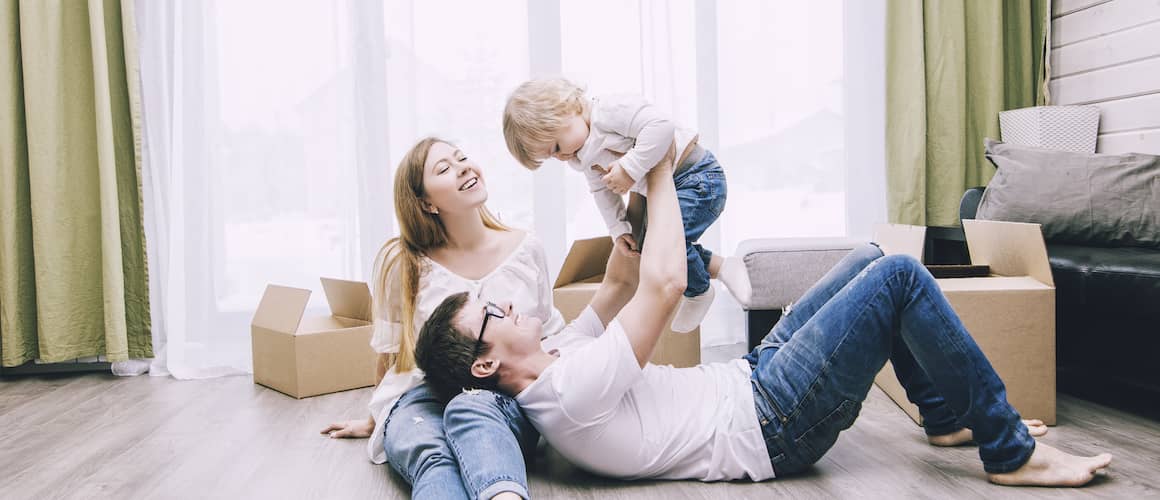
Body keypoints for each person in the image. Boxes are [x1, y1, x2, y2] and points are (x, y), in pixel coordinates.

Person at [414, 159, 1113, 487]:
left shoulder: (561, 353)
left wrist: (605, 177)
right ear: (485, 364)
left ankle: (939, 413)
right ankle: (1011, 452)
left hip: (751, 381)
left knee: (872, 258)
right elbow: (661, 285)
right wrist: (663, 174)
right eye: (493, 311)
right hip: (773, 424)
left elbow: (624, 281)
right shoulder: (567, 392)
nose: (509, 303)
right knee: (900, 277)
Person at [319, 137, 635, 499]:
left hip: (502, 395)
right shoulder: (403, 262)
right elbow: (392, 354)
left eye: (462, 158)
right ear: (425, 202)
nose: (463, 167)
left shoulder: (526, 248)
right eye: (444, 168)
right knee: (434, 457)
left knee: (478, 422)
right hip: (421, 395)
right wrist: (376, 421)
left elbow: (548, 335)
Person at [502, 77, 749, 333]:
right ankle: (721, 266)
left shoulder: (608, 112)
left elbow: (660, 127)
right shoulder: (583, 153)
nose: (562, 157)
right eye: (552, 156)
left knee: (666, 244)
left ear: (565, 109)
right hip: (669, 190)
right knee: (647, 247)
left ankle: (699, 291)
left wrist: (630, 168)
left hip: (698, 178)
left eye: (555, 146)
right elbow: (601, 190)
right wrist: (619, 229)